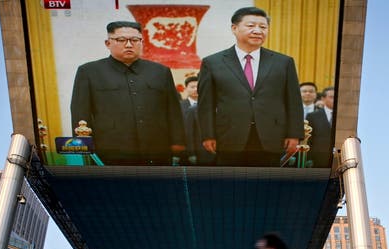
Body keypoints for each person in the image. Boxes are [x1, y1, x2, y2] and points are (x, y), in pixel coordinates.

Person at [197, 7, 304, 167]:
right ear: (234, 28)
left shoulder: (283, 62)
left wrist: (294, 134)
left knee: (266, 187)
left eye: (263, 27)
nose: (257, 31)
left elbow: (293, 102)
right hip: (228, 137)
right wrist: (208, 135)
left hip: (271, 137)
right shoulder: (213, 62)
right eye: (251, 25)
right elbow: (206, 105)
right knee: (231, 186)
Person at [70, 21, 185, 165]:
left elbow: (173, 110)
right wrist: (83, 148)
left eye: (135, 40)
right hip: (109, 151)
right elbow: (80, 113)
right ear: (108, 43)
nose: (129, 45)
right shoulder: (89, 72)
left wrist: (178, 142)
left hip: (156, 149)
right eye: (121, 40)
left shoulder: (160, 71)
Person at [305, 86, 334, 167]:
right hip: (317, 159)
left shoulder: (342, 117)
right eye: (331, 97)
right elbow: (309, 139)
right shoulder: (312, 116)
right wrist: (309, 159)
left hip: (336, 158)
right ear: (323, 99)